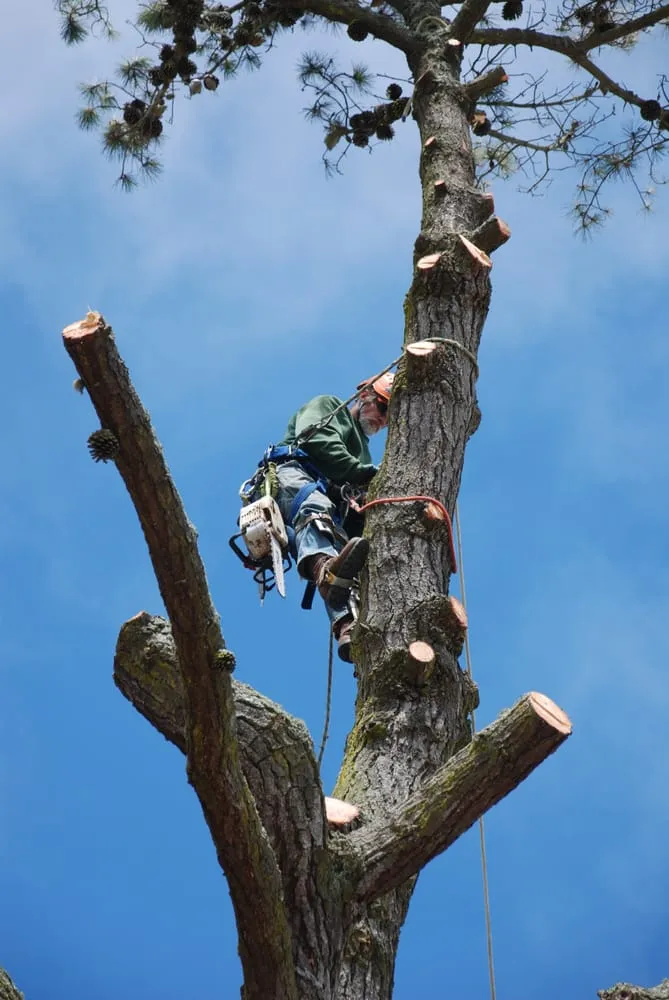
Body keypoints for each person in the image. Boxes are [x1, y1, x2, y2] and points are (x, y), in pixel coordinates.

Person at [268, 373, 394, 662]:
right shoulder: (331, 407)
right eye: (383, 407)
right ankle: (324, 572)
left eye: (390, 417)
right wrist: (366, 475)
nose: (384, 420)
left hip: (325, 509)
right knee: (315, 510)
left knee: (345, 561)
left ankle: (347, 626)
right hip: (294, 478)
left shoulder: (362, 452)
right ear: (365, 395)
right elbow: (318, 440)